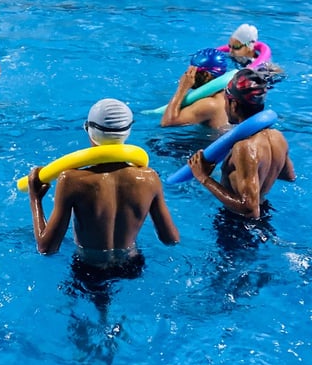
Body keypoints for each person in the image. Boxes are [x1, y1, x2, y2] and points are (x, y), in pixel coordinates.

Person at [27, 98, 180, 267]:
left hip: (88, 269)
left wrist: (35, 199)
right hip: (132, 264)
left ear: (88, 129)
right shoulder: (150, 178)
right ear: (128, 131)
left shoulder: (71, 181)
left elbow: (46, 248)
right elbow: (170, 240)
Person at [188, 68, 295, 220]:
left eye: (225, 101)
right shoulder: (278, 137)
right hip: (266, 212)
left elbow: (250, 210)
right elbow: (289, 176)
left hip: (237, 227)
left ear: (233, 104)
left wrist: (204, 178)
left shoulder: (245, 147)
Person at [161, 48, 230, 129]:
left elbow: (167, 122)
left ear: (206, 75)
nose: (188, 75)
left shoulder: (210, 104)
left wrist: (182, 88)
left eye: (192, 71)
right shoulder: (226, 93)